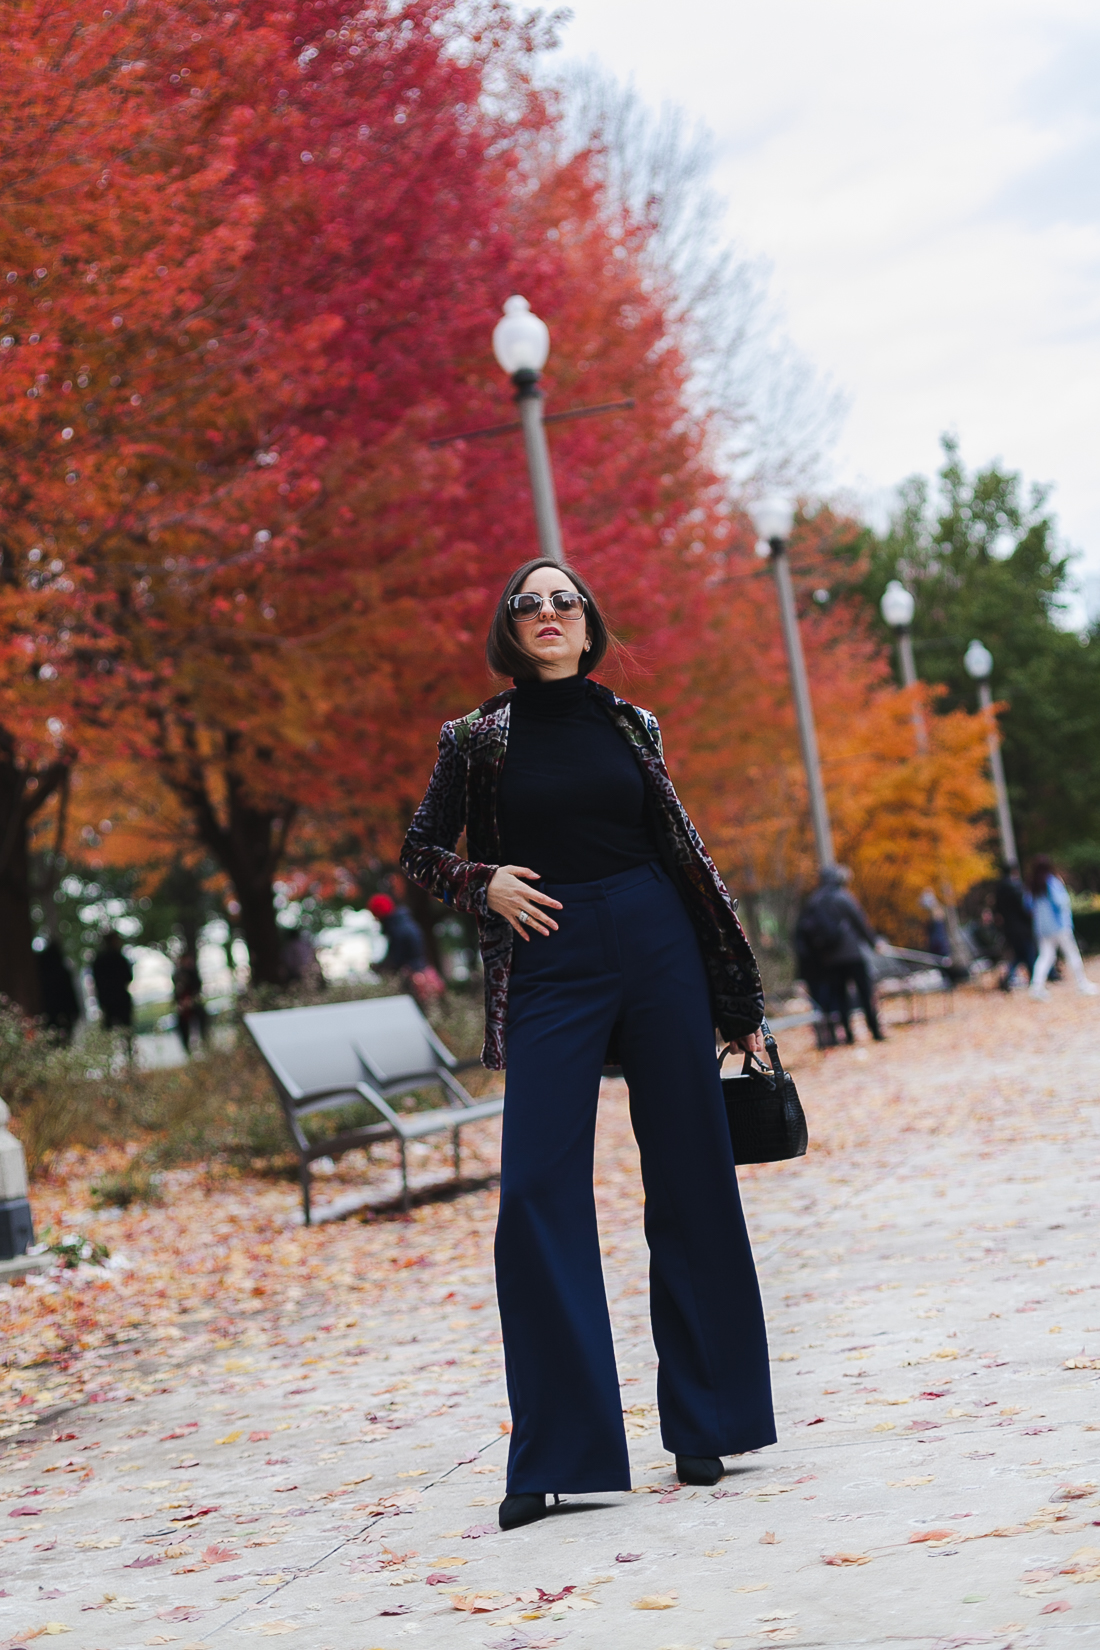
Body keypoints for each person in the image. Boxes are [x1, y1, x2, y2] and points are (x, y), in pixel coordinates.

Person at [401, 558, 775, 1533]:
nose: (548, 613)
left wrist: (731, 993)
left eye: (563, 600)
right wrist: (477, 880)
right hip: (549, 955)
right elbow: (418, 850)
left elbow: (680, 851)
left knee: (691, 1173)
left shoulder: (629, 723)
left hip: (654, 940)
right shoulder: (476, 738)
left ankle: (710, 1424)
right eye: (529, 604)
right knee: (534, 1187)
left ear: (587, 620)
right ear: (509, 630)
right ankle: (563, 1455)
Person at [797, 867, 885, 1042]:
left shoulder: (814, 901)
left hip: (828, 959)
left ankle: (848, 1034)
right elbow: (859, 921)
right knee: (864, 993)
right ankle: (875, 1031)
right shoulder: (842, 897)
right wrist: (874, 942)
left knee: (840, 997)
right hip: (852, 955)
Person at [1028, 855, 1098, 999]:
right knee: (1072, 954)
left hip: (1042, 929)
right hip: (1059, 926)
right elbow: (1061, 902)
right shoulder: (1052, 882)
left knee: (1045, 957)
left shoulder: (1032, 886)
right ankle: (1082, 984)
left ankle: (1036, 987)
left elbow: (1028, 906)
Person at [993, 863, 1035, 991]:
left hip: (1009, 928)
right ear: (1013, 872)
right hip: (1021, 927)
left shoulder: (999, 890)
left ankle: (1007, 977)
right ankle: (1035, 980)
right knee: (1029, 953)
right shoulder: (1015, 888)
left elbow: (997, 911)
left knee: (1019, 955)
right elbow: (1023, 908)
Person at [35, 940, 81, 1041]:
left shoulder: (41, 976)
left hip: (49, 1017)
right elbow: (70, 995)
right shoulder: (62, 973)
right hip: (64, 1016)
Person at [91, 931, 134, 1031]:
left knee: (109, 1032)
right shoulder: (119, 958)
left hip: (107, 1002)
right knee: (126, 1031)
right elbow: (128, 977)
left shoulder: (99, 960)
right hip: (121, 1000)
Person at [172, 951, 207, 1055]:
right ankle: (188, 1050)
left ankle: (204, 1044)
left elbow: (197, 989)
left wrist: (192, 1000)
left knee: (202, 1019)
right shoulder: (177, 974)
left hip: (194, 1003)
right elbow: (177, 991)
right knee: (182, 1026)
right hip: (182, 1006)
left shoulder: (193, 973)